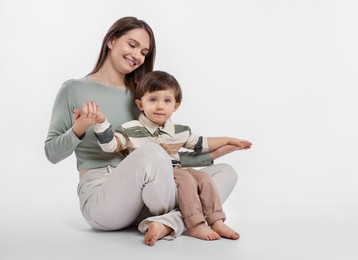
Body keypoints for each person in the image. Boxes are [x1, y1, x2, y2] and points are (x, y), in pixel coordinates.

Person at [44, 16, 243, 246]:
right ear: (111, 41)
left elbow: (167, 156)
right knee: (152, 152)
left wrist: (213, 154)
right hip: (102, 196)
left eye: (144, 52)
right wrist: (77, 130)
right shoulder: (74, 89)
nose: (138, 56)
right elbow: (52, 153)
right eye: (132, 45)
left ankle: (164, 224)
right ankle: (181, 220)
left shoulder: (143, 96)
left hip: (151, 194)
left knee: (226, 172)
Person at [92, 70, 252, 241]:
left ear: (175, 106)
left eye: (167, 101)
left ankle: (216, 220)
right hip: (157, 178)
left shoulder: (180, 131)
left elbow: (202, 144)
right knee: (185, 177)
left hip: (177, 171)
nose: (160, 106)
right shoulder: (130, 128)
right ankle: (196, 225)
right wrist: (101, 123)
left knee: (204, 178)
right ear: (140, 104)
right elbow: (111, 146)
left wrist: (229, 140)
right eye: (153, 100)